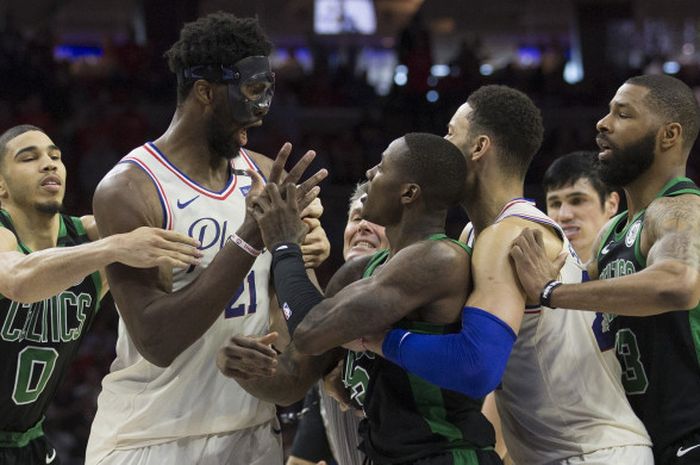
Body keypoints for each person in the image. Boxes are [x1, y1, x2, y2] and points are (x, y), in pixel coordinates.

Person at [84, 13, 328, 465]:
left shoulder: (263, 178)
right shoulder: (131, 189)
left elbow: (305, 350)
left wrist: (262, 375)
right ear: (205, 92)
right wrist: (251, 237)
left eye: (268, 90)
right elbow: (156, 341)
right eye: (253, 91)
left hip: (252, 436)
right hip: (150, 439)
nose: (263, 109)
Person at [365, 85, 653, 464]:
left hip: (592, 452)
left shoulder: (509, 235)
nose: (441, 144)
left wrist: (378, 339)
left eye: (451, 133)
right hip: (563, 451)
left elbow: (476, 366)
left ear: (479, 147)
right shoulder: (478, 234)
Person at [219, 133, 503, 464]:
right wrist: (241, 367)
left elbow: (309, 331)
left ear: (409, 193)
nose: (369, 173)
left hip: (444, 454)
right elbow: (293, 379)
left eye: (381, 167)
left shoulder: (441, 259)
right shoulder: (359, 272)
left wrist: (284, 244)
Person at [509, 74, 700, 464]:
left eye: (623, 114)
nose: (602, 123)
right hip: (634, 439)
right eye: (607, 111)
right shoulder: (613, 232)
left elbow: (679, 282)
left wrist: (552, 292)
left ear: (669, 135)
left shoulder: (681, 209)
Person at [0, 125, 202, 465]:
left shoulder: (92, 235)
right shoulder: (101, 244)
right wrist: (115, 247)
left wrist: (292, 243)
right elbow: (18, 280)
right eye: (29, 158)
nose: (49, 164)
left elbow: (190, 237)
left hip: (29, 441)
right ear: (1, 186)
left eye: (55, 156)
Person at [288, 182, 387, 465]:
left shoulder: (428, 312)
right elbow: (300, 461)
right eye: (356, 218)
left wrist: (287, 248)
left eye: (378, 220)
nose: (364, 226)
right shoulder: (332, 342)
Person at [543, 151, 620, 263]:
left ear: (611, 204)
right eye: (555, 204)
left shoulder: (638, 264)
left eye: (577, 201)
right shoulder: (536, 271)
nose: (564, 215)